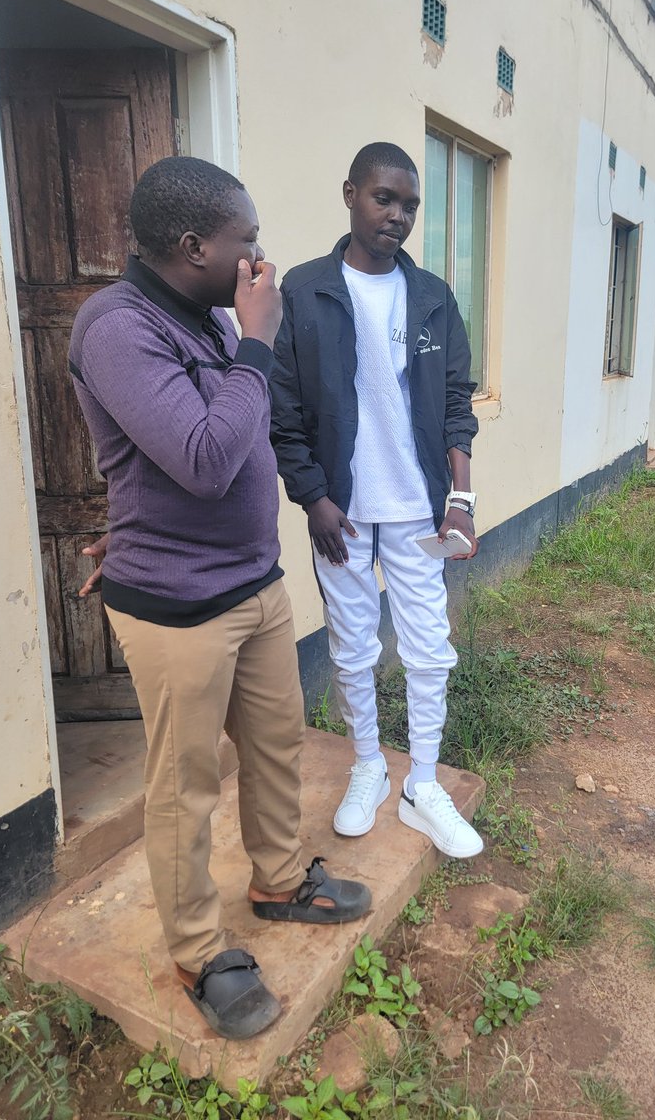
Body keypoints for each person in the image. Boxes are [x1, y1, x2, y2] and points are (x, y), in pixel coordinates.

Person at [69, 156, 370, 1042]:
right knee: (185, 786)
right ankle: (200, 951)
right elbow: (202, 459)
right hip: (176, 608)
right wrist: (259, 341)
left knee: (277, 746)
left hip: (253, 585)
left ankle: (279, 881)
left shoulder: (202, 319)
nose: (258, 259)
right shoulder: (117, 326)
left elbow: (222, 438)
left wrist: (244, 344)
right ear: (196, 244)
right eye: (247, 241)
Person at [270, 141, 483, 860]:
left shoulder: (431, 298)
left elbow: (457, 402)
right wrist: (313, 499)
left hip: (420, 511)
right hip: (343, 513)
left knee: (429, 647)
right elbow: (284, 409)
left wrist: (461, 498)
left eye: (410, 205)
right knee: (354, 647)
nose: (397, 215)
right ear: (350, 194)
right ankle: (368, 764)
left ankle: (422, 782)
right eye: (383, 198)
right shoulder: (303, 292)